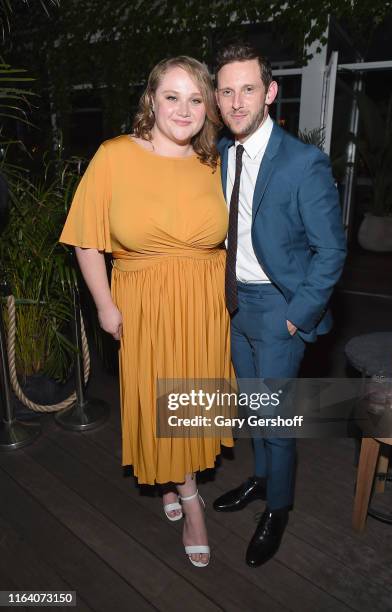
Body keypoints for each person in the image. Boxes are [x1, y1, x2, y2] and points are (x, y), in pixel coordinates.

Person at [59, 56, 235, 568]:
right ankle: (191, 500)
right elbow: (86, 241)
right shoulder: (114, 155)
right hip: (144, 299)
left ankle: (174, 480)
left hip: (203, 302)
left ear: (208, 107)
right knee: (162, 398)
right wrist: (105, 305)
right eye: (173, 97)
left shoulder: (212, 162)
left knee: (189, 400)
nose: (184, 109)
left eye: (196, 98)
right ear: (151, 100)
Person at [213, 42, 347, 568]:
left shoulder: (303, 162)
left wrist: (297, 315)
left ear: (269, 92)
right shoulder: (223, 153)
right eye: (226, 91)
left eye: (248, 88)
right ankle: (262, 480)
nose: (237, 101)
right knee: (254, 410)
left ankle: (280, 508)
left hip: (278, 309)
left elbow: (332, 250)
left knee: (277, 418)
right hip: (234, 304)